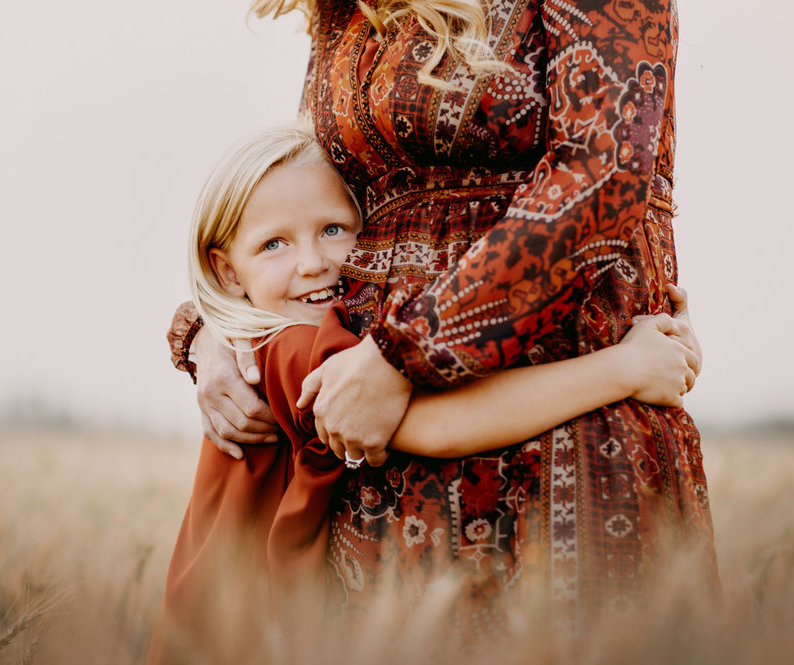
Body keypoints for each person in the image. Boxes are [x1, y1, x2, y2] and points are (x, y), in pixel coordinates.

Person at [170, 0, 718, 634]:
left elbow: (602, 176)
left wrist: (406, 353)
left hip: (565, 441)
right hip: (372, 462)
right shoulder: (347, 9)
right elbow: (302, 184)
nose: (311, 257)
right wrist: (215, 327)